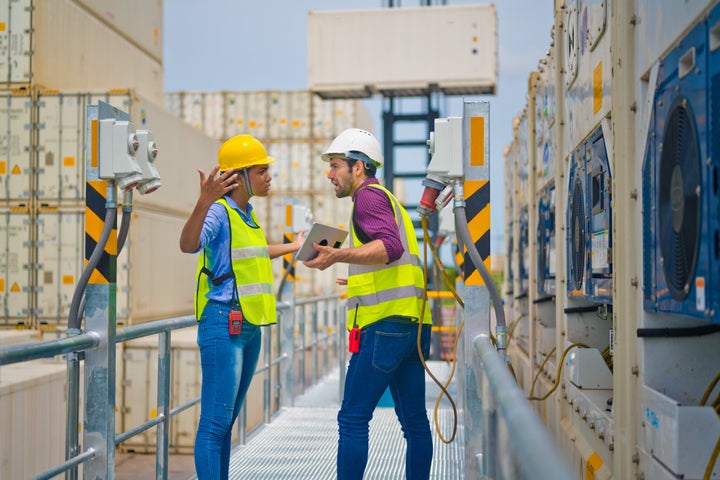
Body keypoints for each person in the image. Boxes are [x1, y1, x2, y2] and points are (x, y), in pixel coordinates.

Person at [302, 128, 433, 480]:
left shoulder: (368, 198)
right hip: (412, 325)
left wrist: (337, 255)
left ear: (358, 167)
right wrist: (356, 271)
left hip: (384, 327)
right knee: (415, 423)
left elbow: (389, 247)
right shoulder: (387, 198)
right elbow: (393, 258)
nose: (330, 174)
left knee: (353, 418)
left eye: (335, 165)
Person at [179, 134, 304, 480]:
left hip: (248, 326)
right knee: (214, 425)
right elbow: (188, 244)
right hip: (223, 323)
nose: (269, 177)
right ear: (239, 176)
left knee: (226, 423)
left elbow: (256, 253)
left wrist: (296, 246)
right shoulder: (219, 211)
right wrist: (203, 201)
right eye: (262, 171)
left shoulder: (246, 213)